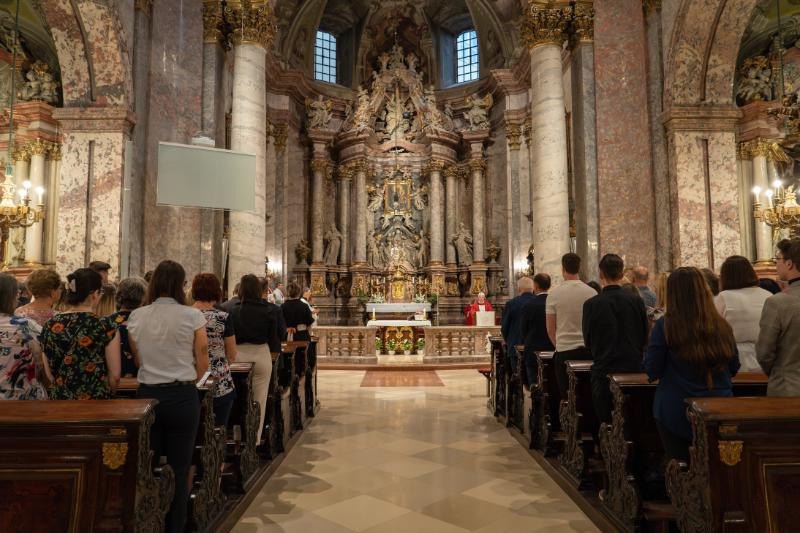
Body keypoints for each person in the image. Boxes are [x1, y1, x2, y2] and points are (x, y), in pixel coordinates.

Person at [127, 260, 209, 533]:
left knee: (149, 465)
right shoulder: (192, 316)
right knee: (181, 466)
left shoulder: (136, 316)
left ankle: (150, 524)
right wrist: (190, 383)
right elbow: (203, 361)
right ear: (181, 285)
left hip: (147, 397)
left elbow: (138, 359)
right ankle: (176, 526)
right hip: (182, 394)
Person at [643, 267, 740, 461]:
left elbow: (653, 369)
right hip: (718, 407)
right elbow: (734, 366)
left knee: (681, 464)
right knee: (716, 466)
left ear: (672, 294)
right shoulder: (721, 325)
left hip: (677, 408)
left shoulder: (666, 325)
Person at [583, 254, 649, 424]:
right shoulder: (636, 301)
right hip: (633, 370)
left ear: (601, 274)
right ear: (621, 274)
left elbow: (588, 340)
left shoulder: (591, 304)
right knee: (632, 421)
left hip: (604, 370)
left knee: (605, 421)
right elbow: (644, 335)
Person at [39, 268, 121, 400]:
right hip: (96, 400)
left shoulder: (50, 324)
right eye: (101, 292)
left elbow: (48, 373)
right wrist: (111, 394)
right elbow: (115, 376)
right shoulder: (107, 326)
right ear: (94, 294)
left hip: (60, 399)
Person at [229, 274, 280, 444]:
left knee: (237, 399)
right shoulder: (269, 310)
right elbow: (274, 342)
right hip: (260, 355)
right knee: (259, 401)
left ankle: (237, 438)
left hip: (237, 357)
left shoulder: (232, 310)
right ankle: (254, 441)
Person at [546, 253, 596, 397]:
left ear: (563, 269)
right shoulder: (592, 292)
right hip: (588, 351)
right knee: (587, 396)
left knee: (567, 396)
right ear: (579, 268)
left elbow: (550, 329)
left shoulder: (554, 295)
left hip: (564, 351)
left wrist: (560, 345)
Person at [191, 273, 237, 427]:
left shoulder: (184, 315)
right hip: (219, 381)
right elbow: (232, 354)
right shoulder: (223, 317)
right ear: (216, 291)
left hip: (190, 380)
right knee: (218, 430)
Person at [756, 238, 800, 396]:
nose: (776, 264)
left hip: (789, 389)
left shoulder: (777, 302)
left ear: (789, 263)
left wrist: (778, 372)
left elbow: (764, 353)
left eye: (778, 259)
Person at [714, 256, 771, 372]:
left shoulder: (723, 297)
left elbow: (713, 330)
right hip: (766, 359)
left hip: (734, 360)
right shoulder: (767, 295)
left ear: (725, 276)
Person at [0, 273, 48, 400]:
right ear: (9, 296)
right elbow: (42, 359)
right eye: (17, 293)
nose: (18, 297)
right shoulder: (24, 325)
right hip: (22, 397)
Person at [108, 277, 148, 378]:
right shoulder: (148, 323)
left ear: (119, 296)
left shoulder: (106, 322)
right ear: (143, 299)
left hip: (112, 379)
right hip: (142, 379)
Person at [521, 273, 554, 387]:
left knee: (534, 385)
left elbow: (523, 329)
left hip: (533, 350)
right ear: (549, 285)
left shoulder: (529, 305)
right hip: (552, 349)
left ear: (535, 286)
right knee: (551, 385)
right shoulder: (554, 302)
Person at [501, 277, 536, 377]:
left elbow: (505, 328)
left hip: (515, 346)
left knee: (518, 377)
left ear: (519, 289)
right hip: (535, 348)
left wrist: (508, 341)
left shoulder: (511, 304)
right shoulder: (539, 302)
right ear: (533, 288)